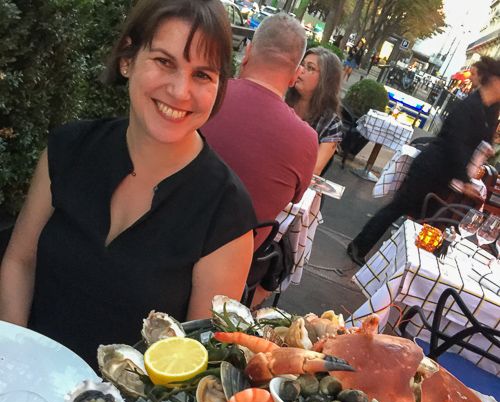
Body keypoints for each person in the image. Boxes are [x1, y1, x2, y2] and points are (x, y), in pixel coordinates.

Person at [0, 0, 257, 367]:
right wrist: (12, 362)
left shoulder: (226, 213)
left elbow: (193, 362)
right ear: (127, 59)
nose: (181, 90)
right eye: (164, 62)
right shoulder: (68, 149)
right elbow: (20, 261)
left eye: (203, 74)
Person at [347, 56, 500, 266]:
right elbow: (455, 144)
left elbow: (486, 138)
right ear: (495, 81)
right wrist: (464, 180)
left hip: (446, 175)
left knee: (426, 223)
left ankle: (400, 265)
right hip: (431, 167)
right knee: (398, 208)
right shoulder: (468, 106)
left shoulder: (491, 109)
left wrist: (486, 149)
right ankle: (359, 246)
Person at [202, 13, 317, 249]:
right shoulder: (306, 140)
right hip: (233, 269)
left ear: (247, 54)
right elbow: (294, 199)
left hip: (162, 241)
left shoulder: (205, 94)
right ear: (295, 76)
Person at [285, 47, 343, 177]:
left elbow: (315, 170)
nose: (301, 70)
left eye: (310, 68)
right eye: (302, 64)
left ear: (326, 80)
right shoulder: (281, 98)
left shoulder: (331, 124)